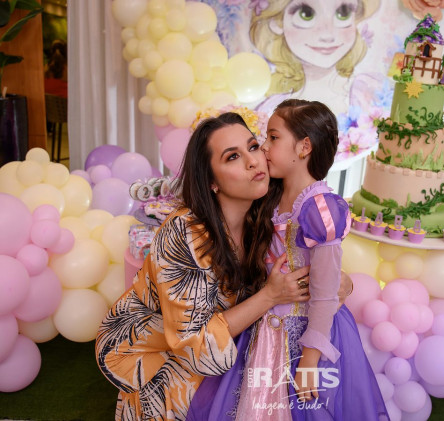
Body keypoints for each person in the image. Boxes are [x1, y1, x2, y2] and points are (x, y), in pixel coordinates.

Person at [95, 112, 316, 420]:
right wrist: (269, 296)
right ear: (212, 181)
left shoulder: (268, 214)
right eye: (233, 157)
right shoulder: (184, 234)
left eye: (253, 147)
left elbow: (306, 258)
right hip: (159, 350)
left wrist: (332, 278)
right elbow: (193, 344)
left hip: (224, 338)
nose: (253, 162)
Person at [187, 100, 388, 420]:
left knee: (305, 405)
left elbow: (324, 291)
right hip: (266, 326)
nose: (264, 148)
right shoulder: (271, 196)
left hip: (308, 331)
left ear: (304, 147)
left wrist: (310, 358)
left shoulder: (321, 208)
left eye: (273, 138)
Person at [250, 0, 381, 115]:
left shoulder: (369, 91)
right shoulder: (270, 109)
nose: (327, 35)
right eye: (306, 14)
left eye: (343, 13)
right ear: (277, 23)